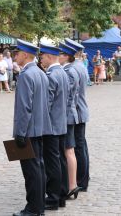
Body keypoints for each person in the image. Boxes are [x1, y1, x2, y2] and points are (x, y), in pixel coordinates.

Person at [12, 39, 52, 216]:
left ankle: (33, 209)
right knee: (39, 168)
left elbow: (24, 107)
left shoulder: (26, 75)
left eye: (17, 53)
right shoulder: (40, 72)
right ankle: (39, 206)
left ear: (25, 55)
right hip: (39, 128)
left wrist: (20, 134)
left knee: (31, 172)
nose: (15, 56)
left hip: (28, 130)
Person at [39, 43, 69, 211]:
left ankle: (53, 197)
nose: (41, 59)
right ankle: (62, 194)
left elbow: (47, 104)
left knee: (52, 163)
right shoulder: (62, 72)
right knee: (60, 161)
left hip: (51, 125)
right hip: (61, 123)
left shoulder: (51, 75)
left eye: (42, 56)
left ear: (49, 57)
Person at [65, 38, 90, 192]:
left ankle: (81, 179)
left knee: (78, 147)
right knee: (81, 146)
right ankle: (83, 177)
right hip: (81, 109)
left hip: (78, 110)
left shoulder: (74, 68)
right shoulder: (80, 66)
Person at [58, 42, 81, 200]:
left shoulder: (68, 72)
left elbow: (66, 97)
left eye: (60, 54)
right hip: (70, 114)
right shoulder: (69, 70)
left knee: (68, 151)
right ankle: (71, 184)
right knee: (69, 150)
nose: (57, 57)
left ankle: (71, 185)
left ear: (66, 56)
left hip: (66, 115)